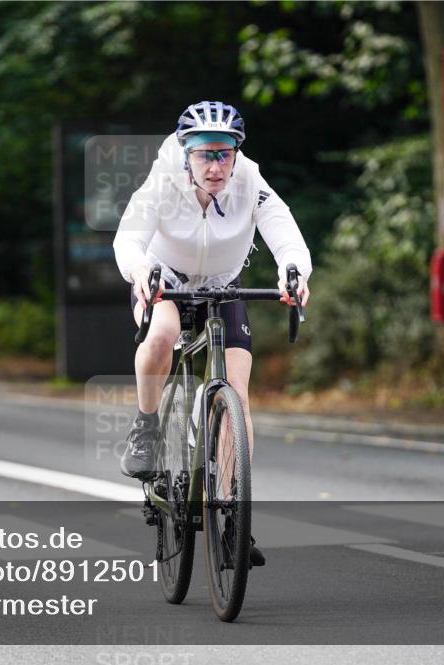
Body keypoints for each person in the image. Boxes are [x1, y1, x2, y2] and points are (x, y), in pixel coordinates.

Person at [112, 101, 313, 567]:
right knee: (160, 337)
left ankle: (230, 519)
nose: (217, 165)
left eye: (225, 154)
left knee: (237, 397)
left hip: (224, 285)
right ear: (186, 155)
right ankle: (145, 428)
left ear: (237, 153)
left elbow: (285, 233)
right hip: (168, 282)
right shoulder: (162, 183)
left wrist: (294, 273)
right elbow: (129, 237)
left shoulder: (250, 181)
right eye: (205, 155)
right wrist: (141, 271)